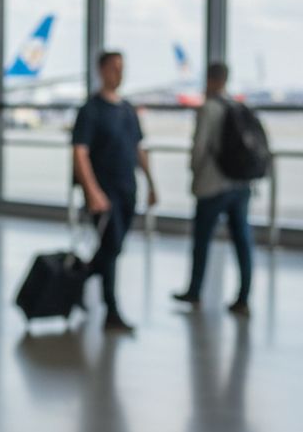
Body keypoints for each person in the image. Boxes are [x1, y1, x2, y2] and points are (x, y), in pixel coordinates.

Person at [71, 51, 158, 332]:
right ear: (101, 70)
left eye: (122, 68)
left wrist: (151, 183)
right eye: (113, 68)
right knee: (110, 247)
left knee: (114, 249)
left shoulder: (128, 109)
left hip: (126, 191)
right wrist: (92, 192)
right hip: (103, 194)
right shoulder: (91, 110)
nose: (119, 74)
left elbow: (138, 149)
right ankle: (111, 309)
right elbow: (80, 153)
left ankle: (81, 277)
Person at [173, 62, 254, 315]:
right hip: (239, 185)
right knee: (242, 240)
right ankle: (243, 296)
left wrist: (195, 173)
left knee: (202, 240)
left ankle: (195, 290)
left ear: (210, 80)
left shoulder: (208, 108)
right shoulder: (237, 105)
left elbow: (199, 148)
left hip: (213, 185)